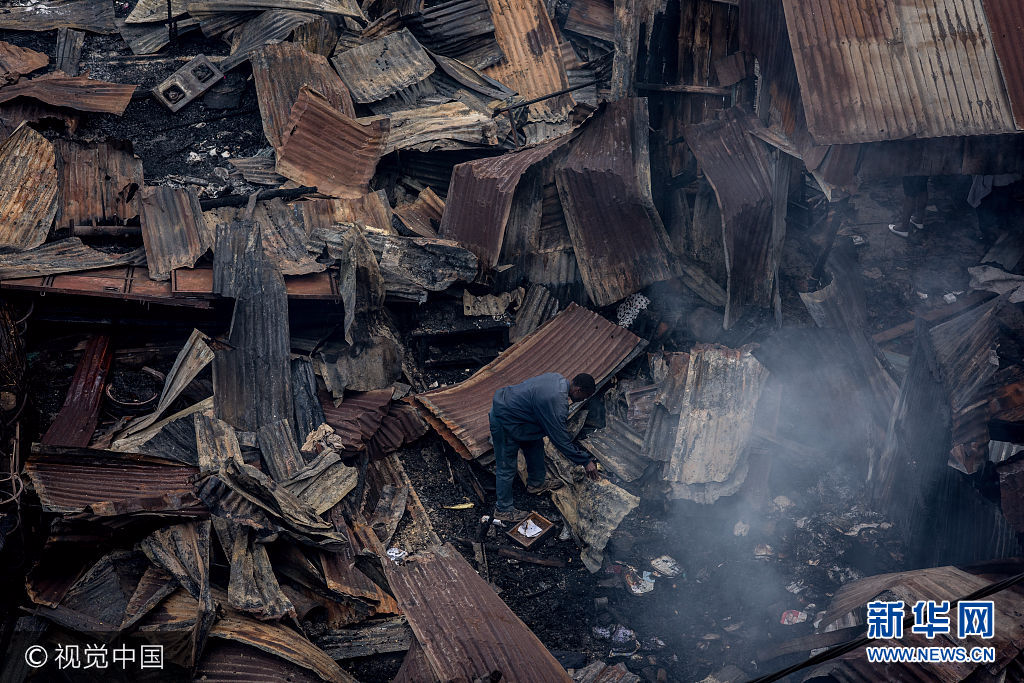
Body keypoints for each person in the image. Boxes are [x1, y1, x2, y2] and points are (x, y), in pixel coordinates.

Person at [489, 372, 599, 522]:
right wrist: (585, 461)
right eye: (584, 396)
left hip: (523, 418)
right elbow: (560, 440)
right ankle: (503, 509)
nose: (583, 400)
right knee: (506, 466)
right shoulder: (556, 401)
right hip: (504, 418)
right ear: (578, 390)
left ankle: (536, 483)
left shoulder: (557, 379)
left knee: (535, 446)